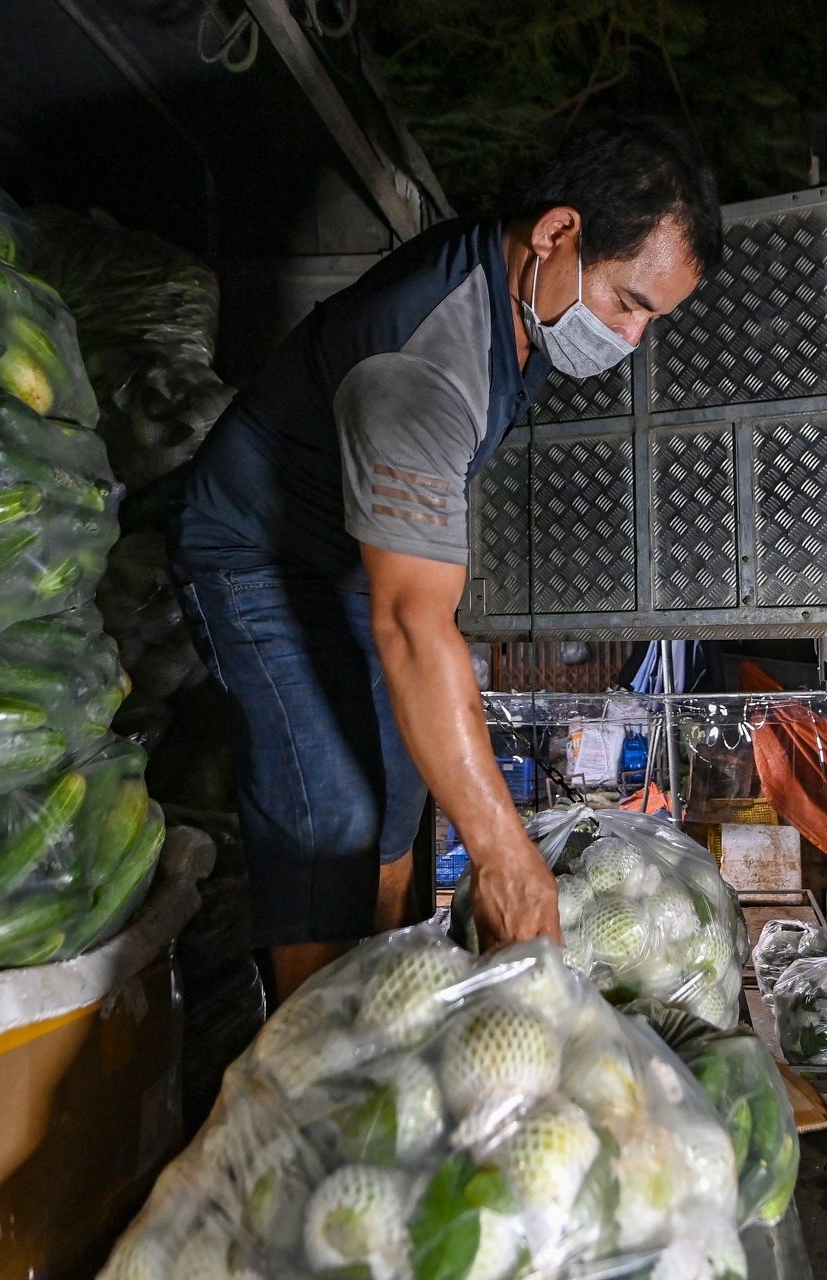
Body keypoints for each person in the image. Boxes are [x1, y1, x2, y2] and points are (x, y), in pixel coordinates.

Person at [170, 121, 720, 998]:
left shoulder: (519, 288)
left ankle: (384, 994)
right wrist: (502, 856)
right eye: (628, 302)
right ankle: (312, 1053)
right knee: (330, 816)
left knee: (398, 788)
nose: (630, 337)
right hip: (257, 555)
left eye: (652, 318)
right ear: (558, 232)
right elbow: (409, 621)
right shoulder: (423, 364)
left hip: (348, 554)